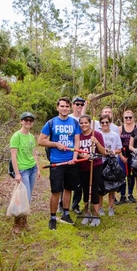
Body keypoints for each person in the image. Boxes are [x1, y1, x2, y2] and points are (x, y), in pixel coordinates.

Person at [38, 96, 81, 230]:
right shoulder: (51, 123)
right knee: (56, 190)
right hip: (57, 162)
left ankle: (66, 213)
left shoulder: (74, 123)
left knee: (68, 188)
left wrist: (74, 157)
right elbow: (41, 141)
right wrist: (55, 144)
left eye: (67, 106)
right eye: (62, 106)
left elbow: (77, 142)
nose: (64, 108)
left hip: (71, 162)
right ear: (57, 107)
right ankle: (52, 217)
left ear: (70, 108)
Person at [9, 112, 41, 234]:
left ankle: (24, 221)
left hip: (32, 168)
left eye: (30, 120)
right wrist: (17, 173)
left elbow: (34, 153)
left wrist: (38, 168)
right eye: (26, 120)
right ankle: (17, 223)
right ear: (21, 121)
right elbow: (13, 156)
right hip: (23, 170)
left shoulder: (31, 136)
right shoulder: (16, 136)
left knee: (27, 197)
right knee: (22, 197)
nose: (28, 122)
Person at [78, 115, 106, 226]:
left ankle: (95, 216)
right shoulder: (78, 136)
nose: (84, 125)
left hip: (96, 166)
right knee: (85, 191)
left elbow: (103, 152)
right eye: (82, 123)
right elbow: (77, 152)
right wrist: (83, 156)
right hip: (83, 166)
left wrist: (96, 142)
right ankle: (87, 213)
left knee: (94, 190)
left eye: (86, 122)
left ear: (90, 123)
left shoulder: (97, 134)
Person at [98, 114, 122, 217]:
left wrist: (112, 152)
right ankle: (100, 207)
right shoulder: (98, 135)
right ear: (100, 124)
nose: (105, 124)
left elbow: (119, 149)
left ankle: (111, 207)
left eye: (106, 122)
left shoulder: (115, 135)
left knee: (112, 185)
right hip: (100, 162)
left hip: (111, 162)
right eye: (102, 122)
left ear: (110, 123)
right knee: (101, 186)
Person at [69, 96, 87, 215]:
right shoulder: (69, 118)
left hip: (80, 154)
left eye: (81, 104)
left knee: (78, 183)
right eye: (77, 104)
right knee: (66, 182)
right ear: (73, 105)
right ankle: (62, 204)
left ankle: (75, 204)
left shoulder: (84, 119)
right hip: (67, 153)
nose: (79, 106)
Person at [116, 110, 136, 204]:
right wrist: (121, 156)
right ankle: (122, 195)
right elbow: (117, 144)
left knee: (132, 175)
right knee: (122, 175)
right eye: (126, 117)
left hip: (133, 155)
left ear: (133, 118)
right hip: (122, 154)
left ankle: (130, 194)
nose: (128, 119)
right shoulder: (120, 129)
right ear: (123, 118)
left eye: (130, 117)